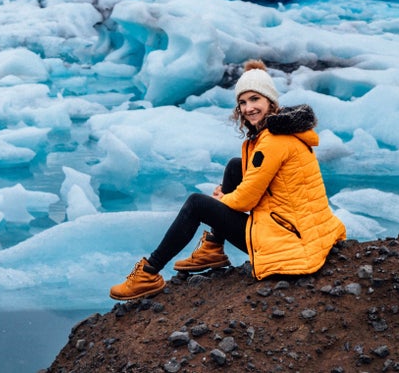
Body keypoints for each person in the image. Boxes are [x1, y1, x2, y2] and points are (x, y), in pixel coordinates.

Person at [109, 59, 346, 301]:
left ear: (270, 102)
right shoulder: (287, 133)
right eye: (242, 102)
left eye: (255, 99)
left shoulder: (273, 142)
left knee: (196, 204)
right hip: (300, 229)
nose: (248, 108)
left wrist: (223, 199)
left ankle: (148, 273)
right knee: (236, 166)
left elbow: (245, 200)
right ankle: (213, 247)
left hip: (286, 241)